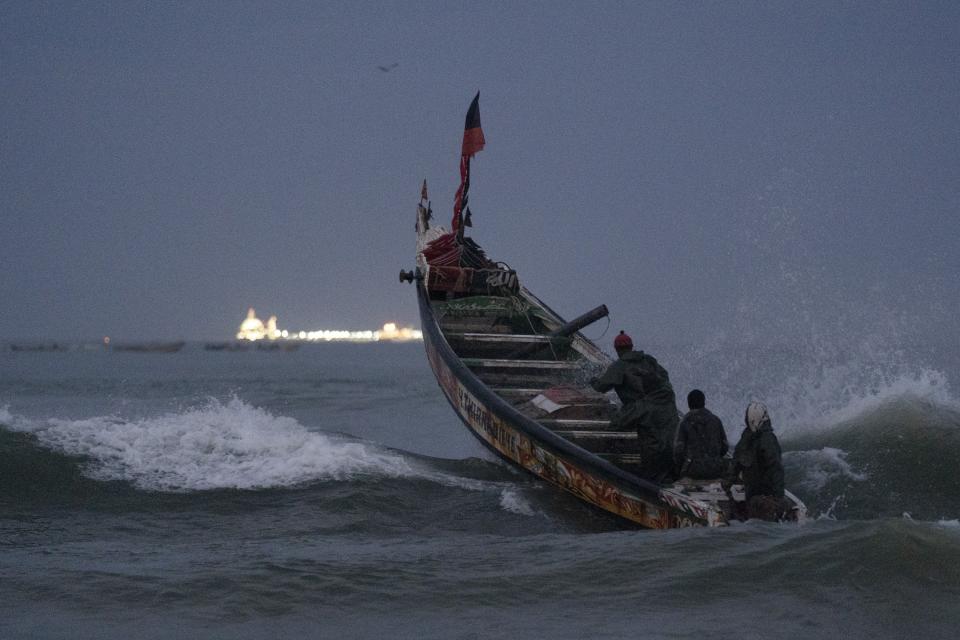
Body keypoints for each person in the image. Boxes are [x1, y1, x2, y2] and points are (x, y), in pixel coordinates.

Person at [591, 330, 679, 482]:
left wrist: (592, 380)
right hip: (667, 409)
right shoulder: (650, 361)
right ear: (632, 346)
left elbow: (601, 387)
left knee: (649, 445)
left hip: (643, 411)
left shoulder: (620, 365)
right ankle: (670, 475)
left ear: (617, 350)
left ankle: (652, 482)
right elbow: (664, 377)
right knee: (668, 441)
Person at [725, 401, 789, 521]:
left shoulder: (746, 438)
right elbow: (776, 468)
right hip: (763, 495)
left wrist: (726, 487)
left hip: (754, 497)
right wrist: (779, 496)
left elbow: (734, 467)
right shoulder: (767, 439)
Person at [673, 389, 729, 479]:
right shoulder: (716, 420)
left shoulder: (684, 422)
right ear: (704, 402)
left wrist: (681, 467)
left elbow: (678, 451)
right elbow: (725, 447)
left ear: (689, 404)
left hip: (692, 471)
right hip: (715, 470)